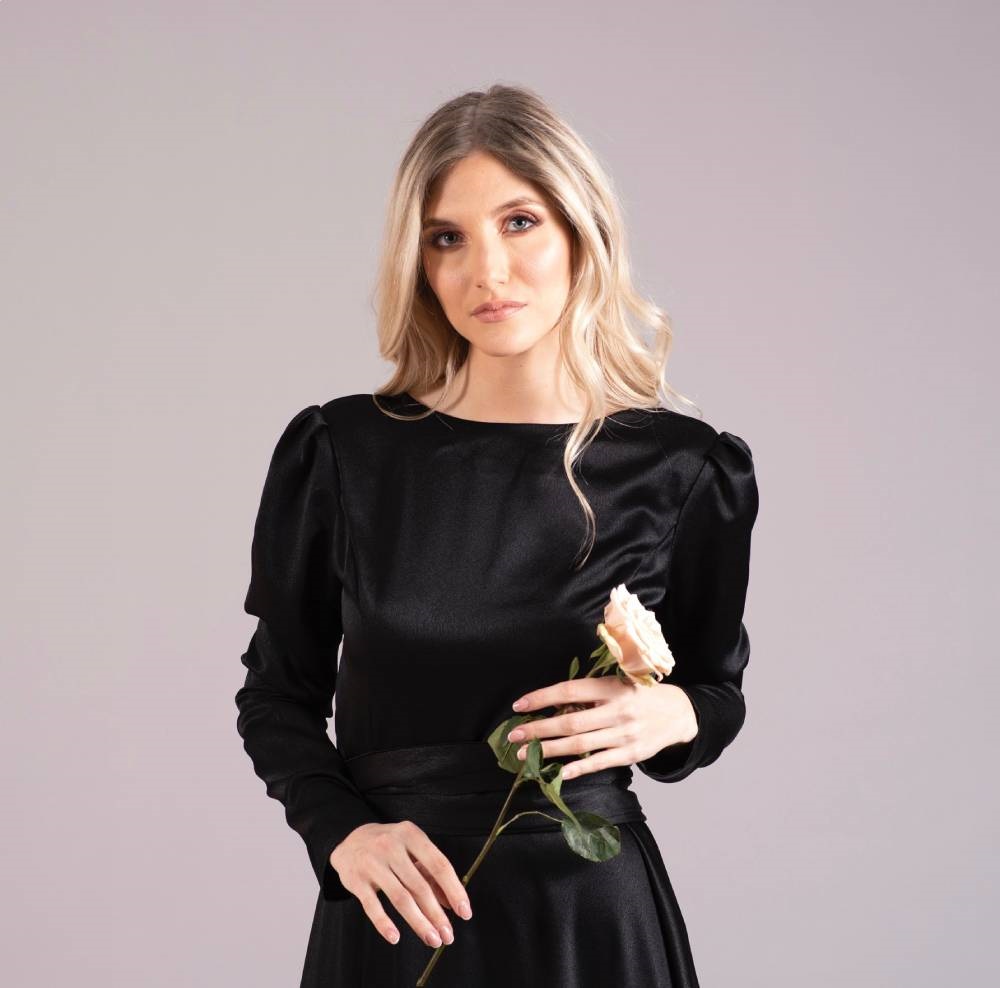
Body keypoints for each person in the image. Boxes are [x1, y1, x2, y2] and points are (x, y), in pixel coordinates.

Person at [234, 84, 759, 987]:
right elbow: (276, 695)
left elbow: (714, 692)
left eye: (520, 223)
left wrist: (676, 715)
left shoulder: (685, 468)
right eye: (448, 238)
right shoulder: (344, 452)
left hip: (587, 920)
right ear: (419, 264)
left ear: (580, 232)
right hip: (396, 914)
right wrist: (344, 834)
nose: (488, 272)